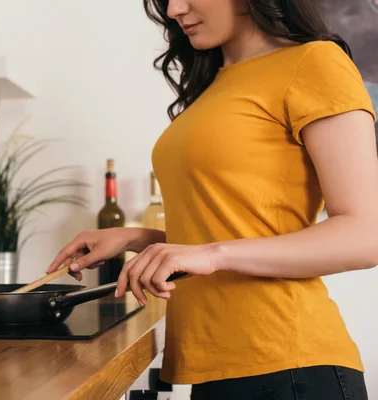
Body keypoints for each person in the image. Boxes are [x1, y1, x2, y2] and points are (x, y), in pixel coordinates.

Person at [45, 0, 378, 399]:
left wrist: (213, 255)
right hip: (217, 369)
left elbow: (365, 235)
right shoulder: (216, 84)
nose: (173, 9)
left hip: (290, 365)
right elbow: (237, 227)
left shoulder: (314, 62)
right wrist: (139, 238)